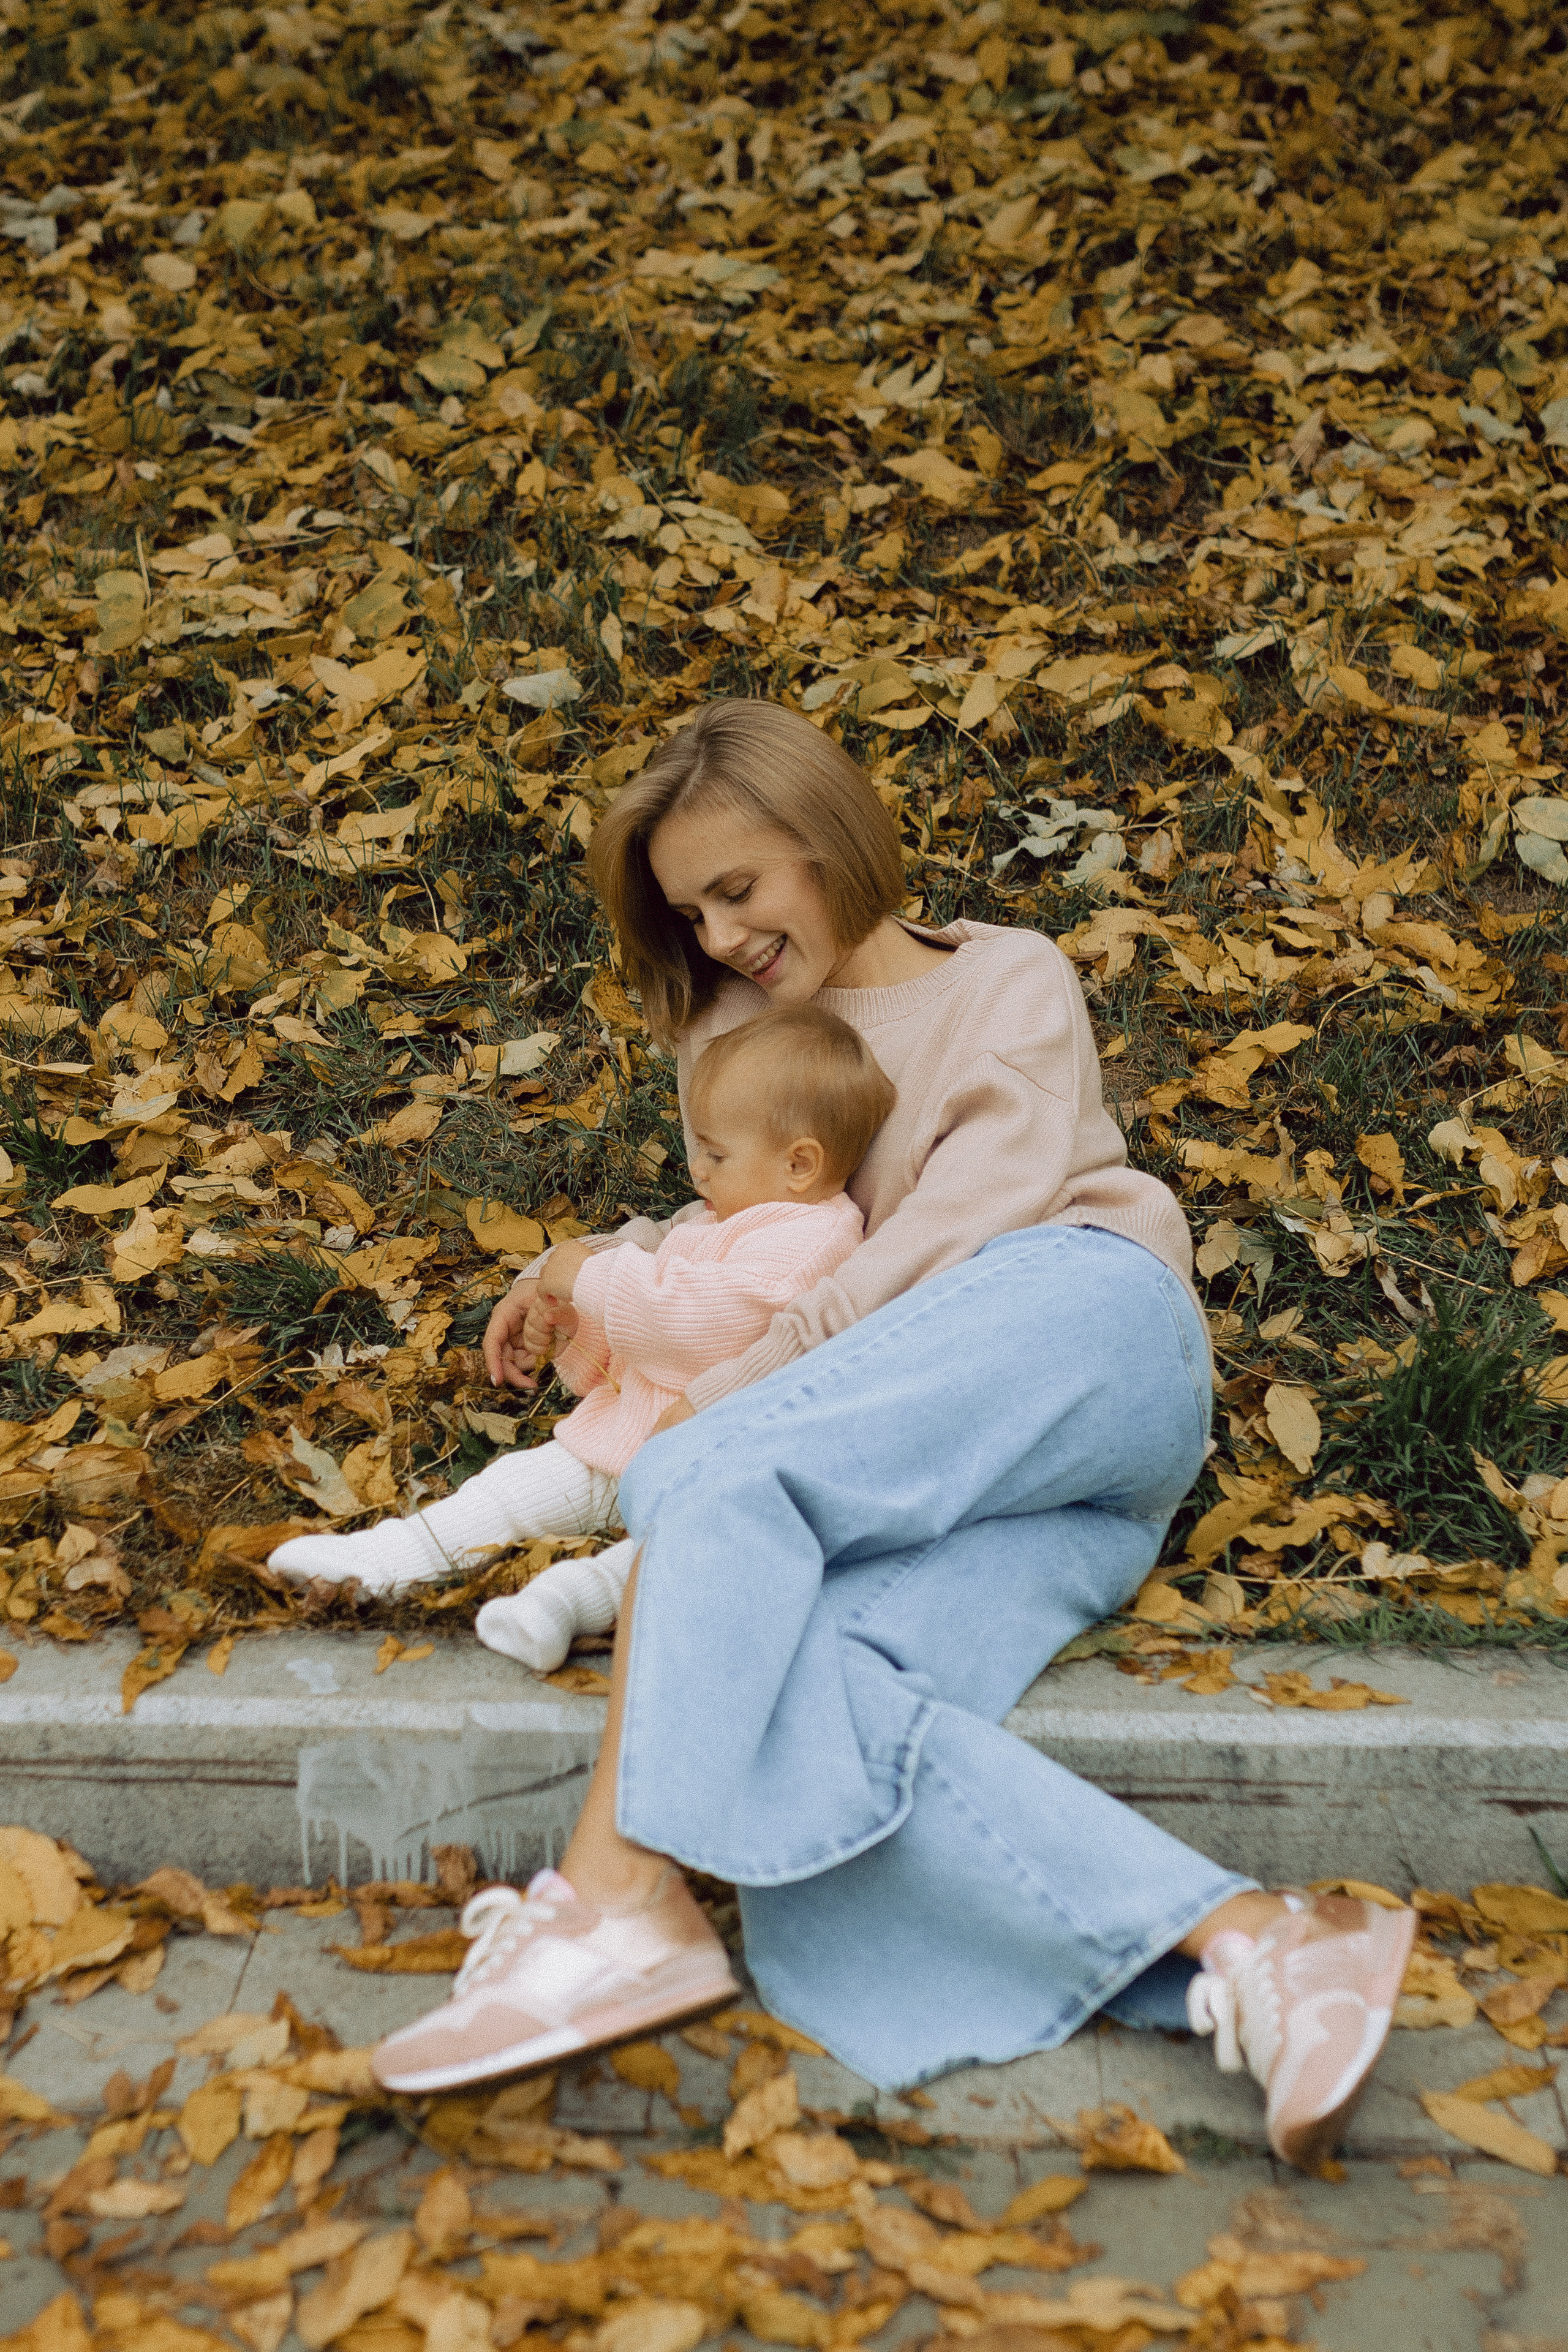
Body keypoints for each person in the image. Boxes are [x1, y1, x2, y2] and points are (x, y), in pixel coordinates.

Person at [369, 699, 1415, 2178]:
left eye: (740, 888)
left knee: (701, 1469)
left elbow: (947, 1238)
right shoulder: (735, 1030)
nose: (721, 936)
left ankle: (611, 1899)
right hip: (976, 1497)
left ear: (828, 836)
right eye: (690, 912)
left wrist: (734, 1400)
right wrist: (591, 1270)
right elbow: (760, 1237)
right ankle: (1256, 1945)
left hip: (1079, 1340)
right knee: (812, 1702)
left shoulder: (1006, 979)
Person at [267, 1005, 884, 1663]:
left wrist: (593, 1277)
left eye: (716, 1153)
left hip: (717, 1465)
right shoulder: (731, 1216)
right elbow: (651, 1334)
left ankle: (562, 1606)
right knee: (515, 1487)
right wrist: (577, 1325)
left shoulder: (812, 1241)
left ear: (799, 1164)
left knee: (670, 1549)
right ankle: (390, 1556)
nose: (697, 1170)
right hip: (630, 1432)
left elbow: (700, 1320)